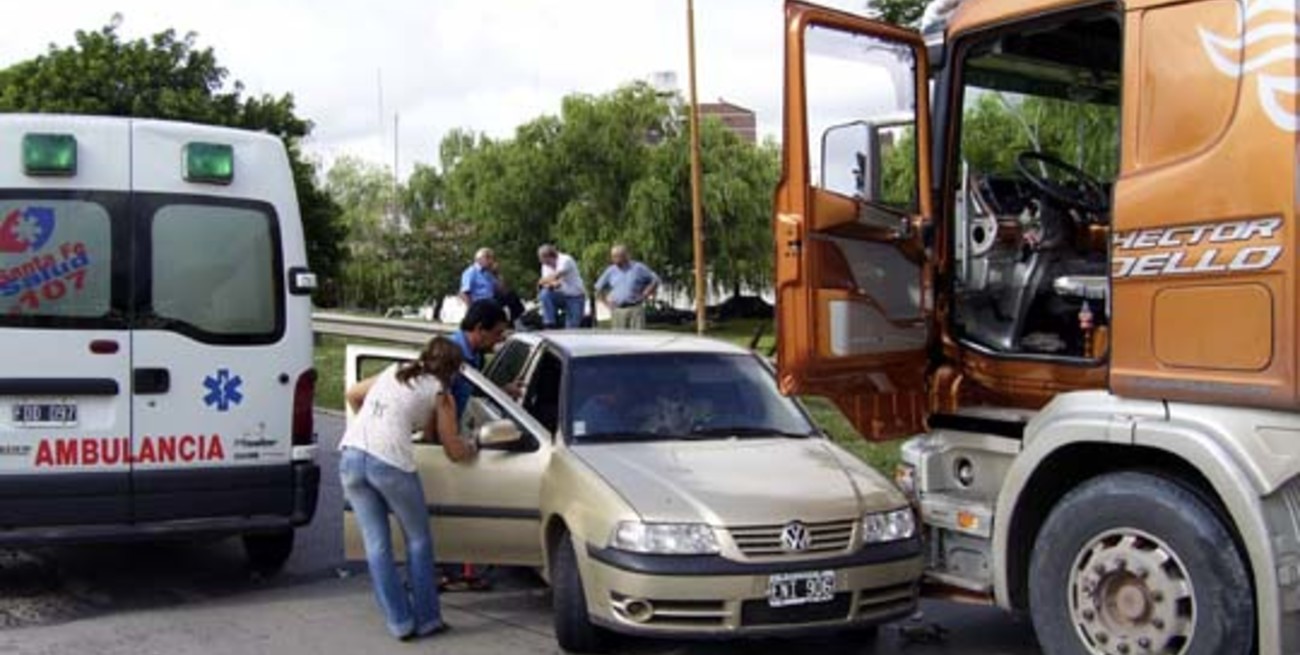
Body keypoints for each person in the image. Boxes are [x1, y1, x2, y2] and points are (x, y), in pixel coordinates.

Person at [340, 337, 475, 641]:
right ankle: (427, 619)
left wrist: (377, 423)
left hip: (350, 455)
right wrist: (473, 445)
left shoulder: (395, 371)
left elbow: (353, 394)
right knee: (418, 540)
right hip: (389, 464)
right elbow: (453, 449)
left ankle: (399, 623)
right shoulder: (442, 393)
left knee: (377, 546)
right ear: (452, 370)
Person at [592, 245, 661, 330]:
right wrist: (606, 303)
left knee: (638, 338)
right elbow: (598, 288)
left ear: (625, 256)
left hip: (635, 308)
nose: (614, 259)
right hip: (617, 310)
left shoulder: (638, 268)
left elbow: (655, 279)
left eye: (617, 256)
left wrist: (647, 292)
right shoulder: (610, 271)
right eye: (613, 256)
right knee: (619, 339)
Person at [536, 244, 586, 329]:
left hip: (575, 297)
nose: (545, 264)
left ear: (549, 256)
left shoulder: (565, 260)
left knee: (572, 329)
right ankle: (549, 323)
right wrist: (549, 283)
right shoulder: (545, 266)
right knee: (544, 294)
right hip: (561, 296)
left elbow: (555, 276)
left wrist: (545, 282)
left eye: (545, 261)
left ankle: (569, 329)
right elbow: (546, 284)